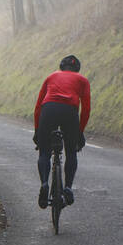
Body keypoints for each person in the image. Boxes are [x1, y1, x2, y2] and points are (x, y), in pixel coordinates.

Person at [33, 55, 90, 209]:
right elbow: (86, 109)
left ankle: (44, 183)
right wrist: (80, 132)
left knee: (44, 153)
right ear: (77, 69)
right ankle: (68, 187)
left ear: (61, 67)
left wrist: (38, 130)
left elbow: (38, 106)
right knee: (71, 152)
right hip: (69, 112)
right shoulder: (82, 80)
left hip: (48, 109)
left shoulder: (51, 76)